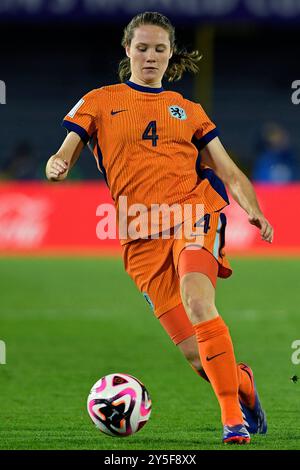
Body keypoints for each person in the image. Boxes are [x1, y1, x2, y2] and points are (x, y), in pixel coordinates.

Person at [45, 12, 273, 444]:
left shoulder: (189, 111)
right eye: (143, 48)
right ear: (127, 49)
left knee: (198, 299)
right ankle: (242, 385)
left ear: (171, 55)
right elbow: (64, 152)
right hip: (138, 232)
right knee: (194, 355)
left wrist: (253, 209)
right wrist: (57, 164)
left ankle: (232, 420)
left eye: (160, 49)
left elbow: (228, 170)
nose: (150, 57)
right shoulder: (97, 100)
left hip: (192, 213)